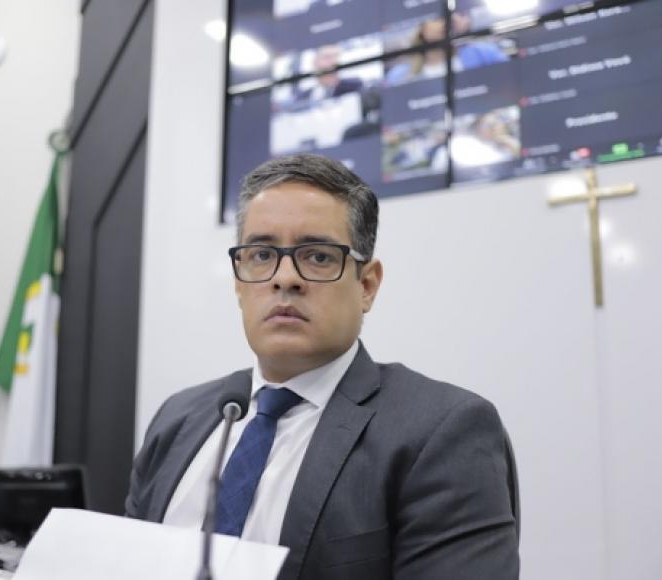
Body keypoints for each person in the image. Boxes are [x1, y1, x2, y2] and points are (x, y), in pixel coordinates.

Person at [125, 153, 520, 579]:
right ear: (239, 281)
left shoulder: (441, 430)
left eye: (317, 256)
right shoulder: (179, 419)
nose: (285, 278)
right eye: (262, 254)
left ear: (366, 285)